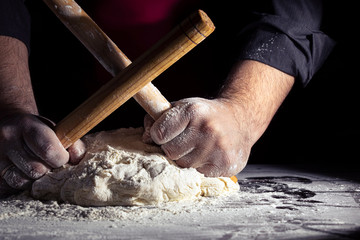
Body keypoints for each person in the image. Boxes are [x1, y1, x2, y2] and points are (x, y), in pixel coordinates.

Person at [0, 0, 335, 197]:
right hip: (54, 118)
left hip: (222, 124)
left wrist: (242, 114)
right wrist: (11, 105)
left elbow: (293, 10)